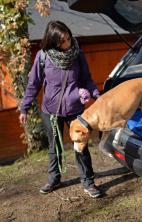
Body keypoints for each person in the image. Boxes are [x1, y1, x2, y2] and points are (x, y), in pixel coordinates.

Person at [19, 20, 102, 198]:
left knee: (80, 146)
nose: (67, 43)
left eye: (68, 38)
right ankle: (54, 179)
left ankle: (88, 181)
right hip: (50, 111)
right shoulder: (43, 57)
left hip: (75, 110)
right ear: (53, 42)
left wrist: (97, 95)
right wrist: (24, 107)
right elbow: (33, 84)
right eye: (62, 41)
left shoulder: (78, 54)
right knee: (54, 146)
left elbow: (87, 79)